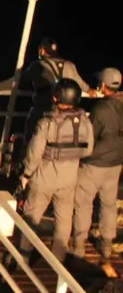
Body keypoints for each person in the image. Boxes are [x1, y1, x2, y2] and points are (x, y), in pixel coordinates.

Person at [0, 37, 98, 171]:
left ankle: (26, 168)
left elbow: (17, 81)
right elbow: (81, 85)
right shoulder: (70, 65)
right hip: (66, 112)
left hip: (43, 110)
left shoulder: (38, 65)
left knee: (32, 138)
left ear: (42, 50)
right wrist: (90, 90)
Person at [18, 79, 95, 263]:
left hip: (44, 178)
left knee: (32, 216)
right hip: (68, 179)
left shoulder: (47, 122)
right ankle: (58, 258)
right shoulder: (84, 122)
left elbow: (34, 153)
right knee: (64, 219)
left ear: (55, 98)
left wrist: (26, 174)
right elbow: (88, 150)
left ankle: (23, 256)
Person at [72, 68, 123, 272]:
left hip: (95, 164)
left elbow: (89, 138)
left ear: (103, 86)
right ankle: (107, 247)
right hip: (116, 163)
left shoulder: (101, 109)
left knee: (83, 203)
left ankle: (78, 247)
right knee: (108, 204)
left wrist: (83, 158)